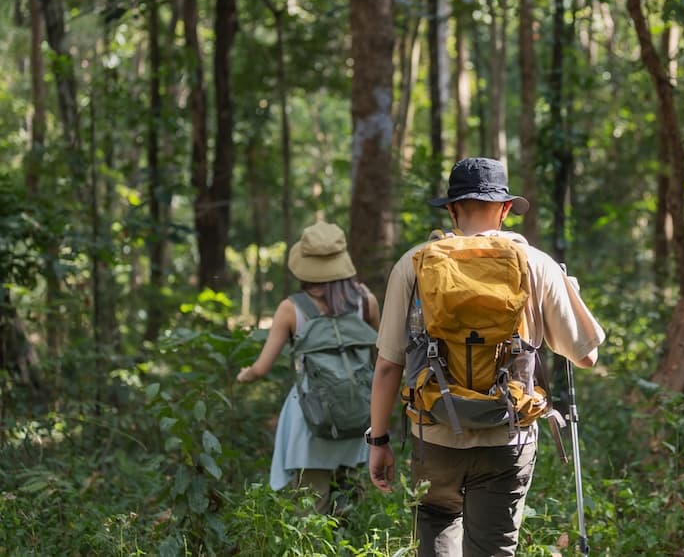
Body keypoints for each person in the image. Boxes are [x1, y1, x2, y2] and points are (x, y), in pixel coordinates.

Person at [368, 157, 605, 556]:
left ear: (451, 208)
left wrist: (378, 440)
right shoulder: (537, 264)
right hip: (507, 436)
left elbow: (389, 364)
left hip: (435, 433)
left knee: (438, 524)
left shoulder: (414, 262)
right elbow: (586, 357)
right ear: (507, 208)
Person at [238, 220, 380, 515]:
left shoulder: (291, 308)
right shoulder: (366, 301)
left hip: (311, 417)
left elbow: (261, 368)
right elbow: (381, 359)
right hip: (357, 413)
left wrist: (244, 375)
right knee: (350, 505)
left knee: (311, 513)